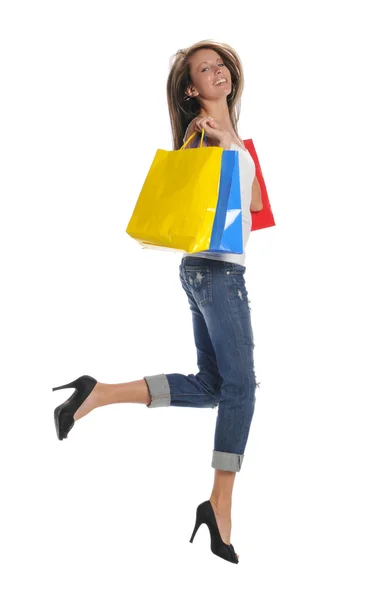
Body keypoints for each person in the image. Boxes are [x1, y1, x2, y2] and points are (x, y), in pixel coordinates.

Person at [52, 40, 263, 564]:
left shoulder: (234, 136)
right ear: (191, 89)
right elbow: (200, 192)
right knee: (241, 388)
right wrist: (213, 143)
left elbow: (255, 205)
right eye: (204, 69)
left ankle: (96, 392)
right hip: (216, 272)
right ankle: (221, 504)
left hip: (209, 272)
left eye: (221, 65)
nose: (217, 72)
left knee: (216, 385)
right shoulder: (203, 135)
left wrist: (234, 144)